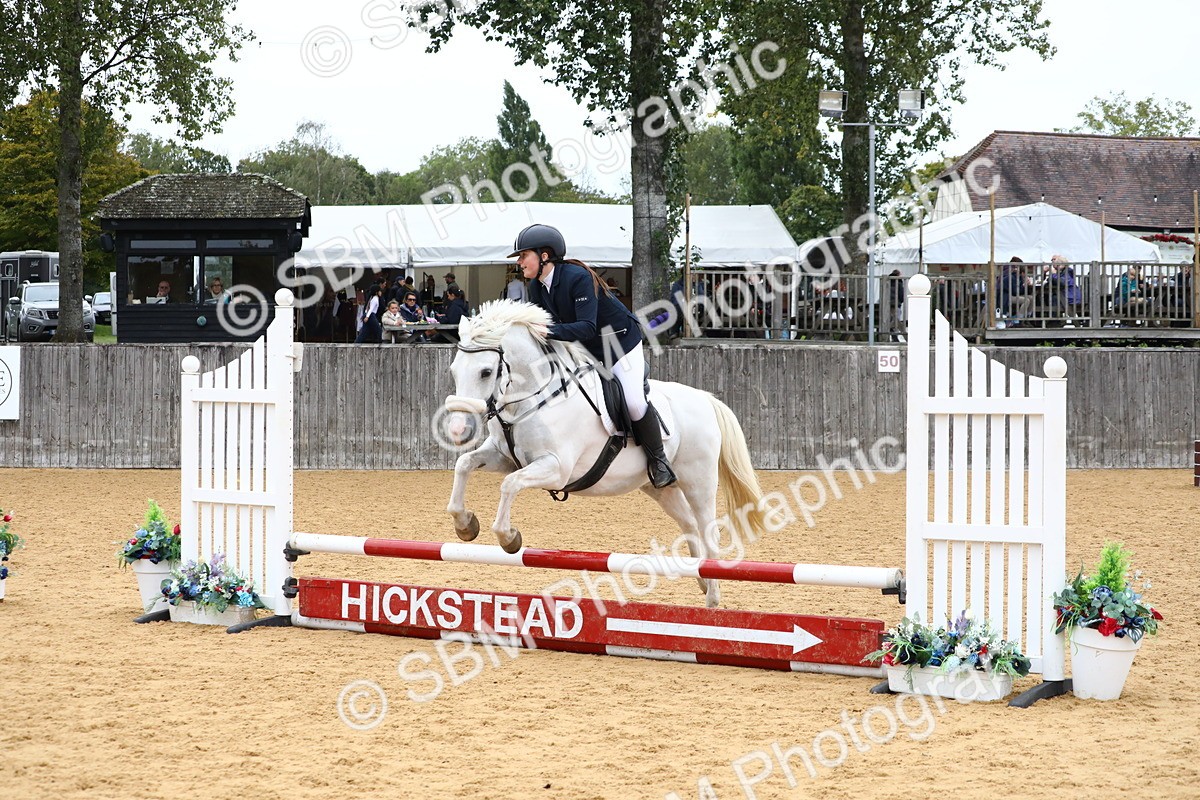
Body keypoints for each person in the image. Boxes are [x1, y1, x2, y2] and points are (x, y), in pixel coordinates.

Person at [511, 222, 676, 488]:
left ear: (544, 256)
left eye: (523, 255)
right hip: (588, 349)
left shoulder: (577, 277)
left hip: (620, 342)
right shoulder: (537, 288)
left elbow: (585, 327)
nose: (519, 262)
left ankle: (660, 461)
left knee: (633, 402)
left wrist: (547, 331)